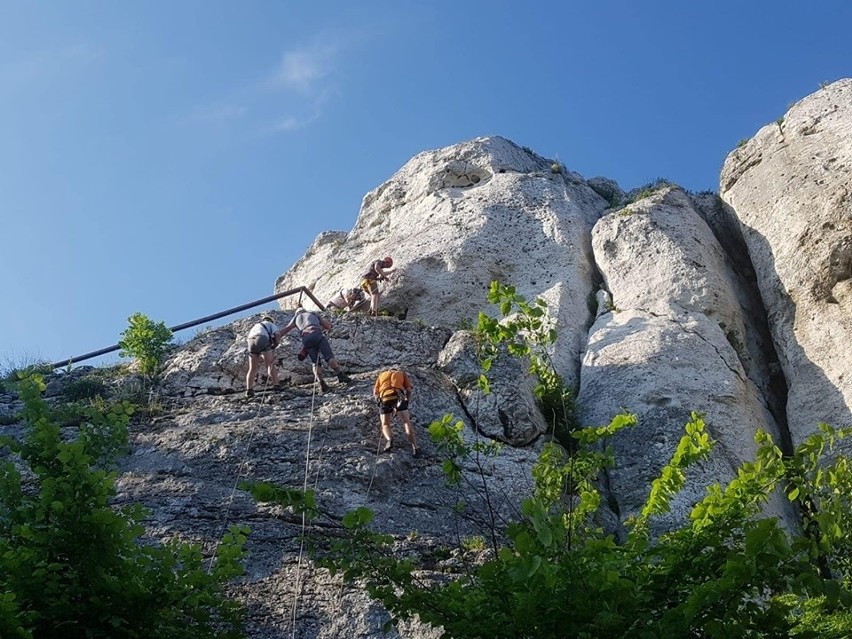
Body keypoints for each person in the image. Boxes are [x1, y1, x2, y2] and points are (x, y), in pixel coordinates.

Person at [280, 307, 352, 392]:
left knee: (315, 362)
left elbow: (285, 330)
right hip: (316, 333)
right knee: (329, 357)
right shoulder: (313, 313)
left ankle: (321, 384)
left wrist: (275, 337)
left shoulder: (295, 318)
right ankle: (340, 375)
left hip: (306, 339)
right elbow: (328, 326)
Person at [373, 365, 418, 456]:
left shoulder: (382, 375)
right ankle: (415, 447)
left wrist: (378, 402)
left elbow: (375, 391)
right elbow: (409, 389)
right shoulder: (401, 373)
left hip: (384, 398)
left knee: (385, 424)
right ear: (396, 370)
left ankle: (389, 440)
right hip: (398, 397)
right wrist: (406, 400)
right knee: (406, 422)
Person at [245, 315, 284, 397]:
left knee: (252, 368)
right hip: (262, 338)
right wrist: (275, 345)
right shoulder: (270, 324)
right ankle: (276, 385)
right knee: (270, 364)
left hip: (250, 342)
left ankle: (249, 390)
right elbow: (277, 334)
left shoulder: (256, 326)